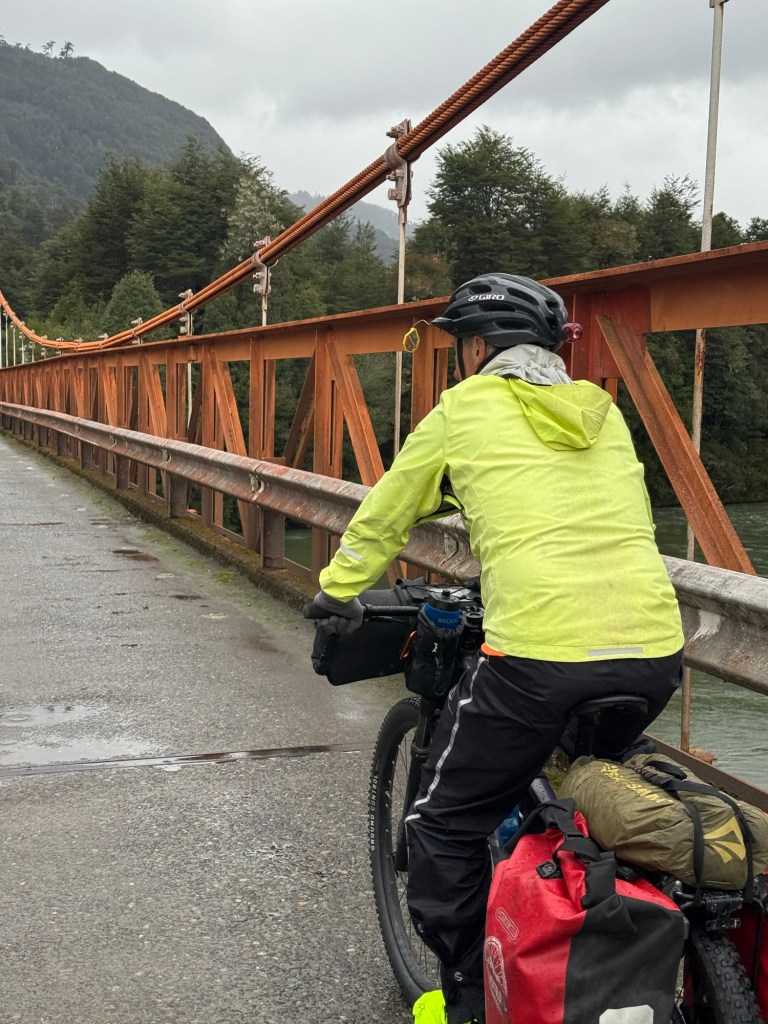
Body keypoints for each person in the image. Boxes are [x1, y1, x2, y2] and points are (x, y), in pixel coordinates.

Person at [305, 272, 684, 1024]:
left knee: (442, 828)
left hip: (539, 656)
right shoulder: (601, 410)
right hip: (654, 651)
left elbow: (386, 513)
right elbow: (622, 518)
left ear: (477, 348)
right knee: (592, 800)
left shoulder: (465, 407)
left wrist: (336, 590)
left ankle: (475, 1000)